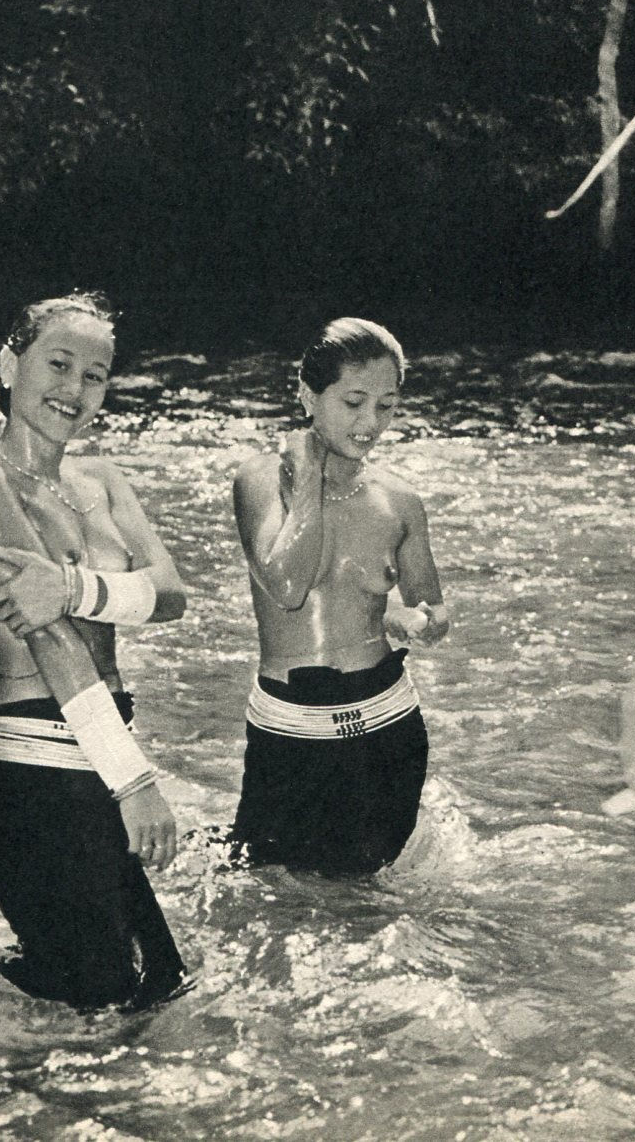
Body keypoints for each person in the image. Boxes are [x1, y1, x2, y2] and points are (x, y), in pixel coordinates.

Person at [0, 291, 188, 1009]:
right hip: (36, 773)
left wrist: (79, 588)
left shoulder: (103, 479)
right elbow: (47, 638)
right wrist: (132, 780)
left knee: (152, 989)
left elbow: (171, 596)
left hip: (94, 754)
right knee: (112, 1000)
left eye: (95, 374)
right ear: (7, 362)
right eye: (58, 364)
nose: (74, 389)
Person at [230, 317, 449, 876]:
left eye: (387, 406)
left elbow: (433, 607)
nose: (370, 422)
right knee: (265, 897)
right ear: (308, 395)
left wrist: (413, 617)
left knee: (359, 906)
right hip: (288, 730)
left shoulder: (399, 501)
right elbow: (286, 583)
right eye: (354, 401)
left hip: (385, 727)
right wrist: (305, 477)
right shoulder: (259, 480)